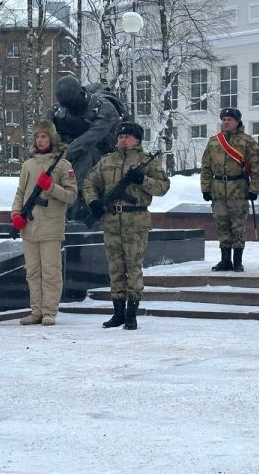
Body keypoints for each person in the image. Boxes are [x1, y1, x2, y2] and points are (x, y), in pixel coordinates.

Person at [84, 122, 169, 330]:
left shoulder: (146, 161)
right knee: (115, 268)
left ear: (137, 140)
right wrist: (93, 202)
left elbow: (162, 187)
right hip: (111, 221)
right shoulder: (107, 161)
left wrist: (142, 179)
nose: (123, 140)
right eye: (120, 136)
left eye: (128, 136)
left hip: (135, 222)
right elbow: (89, 183)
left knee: (133, 268)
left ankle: (132, 313)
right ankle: (118, 313)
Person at [10, 121, 77, 326]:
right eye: (38, 137)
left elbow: (72, 195)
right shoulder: (28, 165)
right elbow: (21, 192)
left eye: (44, 137)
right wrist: (15, 214)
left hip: (51, 226)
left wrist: (52, 187)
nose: (40, 140)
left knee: (50, 271)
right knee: (33, 272)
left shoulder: (63, 165)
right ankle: (36, 311)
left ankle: (49, 312)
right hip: (29, 226)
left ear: (51, 139)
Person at [47, 74, 121, 217]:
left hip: (106, 155)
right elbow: (43, 128)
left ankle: (78, 203)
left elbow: (89, 139)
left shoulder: (105, 109)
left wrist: (61, 158)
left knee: (86, 154)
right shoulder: (60, 109)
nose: (69, 108)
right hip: (72, 152)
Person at [200, 108, 259, 273]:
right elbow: (206, 167)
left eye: (229, 119)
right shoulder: (214, 142)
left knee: (238, 226)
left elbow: (257, 167)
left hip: (239, 189)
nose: (226, 122)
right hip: (218, 188)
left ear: (237, 121)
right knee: (222, 225)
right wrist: (206, 188)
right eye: (224, 119)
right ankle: (225, 260)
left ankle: (237, 261)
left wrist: (254, 189)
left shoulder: (247, 141)